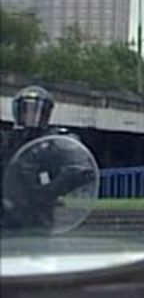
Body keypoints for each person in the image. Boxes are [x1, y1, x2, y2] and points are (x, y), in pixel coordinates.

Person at [1, 86, 93, 233]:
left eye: (38, 110)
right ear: (18, 111)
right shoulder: (7, 140)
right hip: (5, 215)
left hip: (38, 217)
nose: (32, 116)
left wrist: (47, 192)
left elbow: (81, 170)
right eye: (28, 110)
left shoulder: (54, 140)